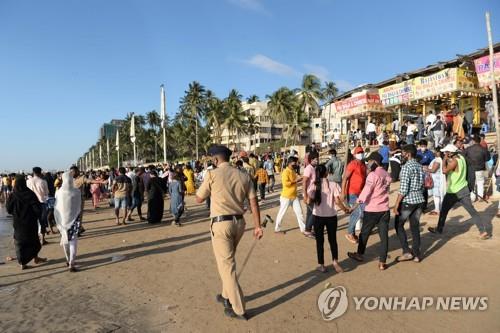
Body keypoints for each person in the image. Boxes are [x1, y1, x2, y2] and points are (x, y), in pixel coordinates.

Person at [195, 145, 263, 320]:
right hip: (239, 223)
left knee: (226, 266)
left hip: (221, 224)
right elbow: (254, 203)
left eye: (211, 159)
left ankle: (238, 309)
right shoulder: (244, 175)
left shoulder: (212, 174)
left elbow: (198, 198)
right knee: (228, 261)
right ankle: (226, 295)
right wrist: (257, 226)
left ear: (216, 160)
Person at [428, 145, 489, 239]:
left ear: (451, 153)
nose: (444, 153)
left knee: (443, 211)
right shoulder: (461, 158)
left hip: (453, 191)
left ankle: (439, 229)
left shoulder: (454, 161)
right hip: (463, 189)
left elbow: (444, 171)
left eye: (446, 152)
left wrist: (444, 160)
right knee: (472, 211)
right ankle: (483, 231)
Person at [347, 152, 392, 270]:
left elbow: (365, 192)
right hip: (384, 209)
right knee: (384, 236)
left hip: (372, 209)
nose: (368, 163)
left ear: (375, 161)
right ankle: (382, 262)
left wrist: (354, 206)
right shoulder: (386, 174)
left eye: (370, 161)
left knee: (364, 233)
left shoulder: (373, 175)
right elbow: (387, 188)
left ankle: (360, 254)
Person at [307, 164, 350, 273]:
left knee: (319, 242)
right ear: (326, 173)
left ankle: (321, 265)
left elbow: (308, 201)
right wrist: (345, 209)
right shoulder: (333, 184)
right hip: (331, 216)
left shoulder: (314, 185)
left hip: (318, 217)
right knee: (333, 240)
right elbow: (337, 201)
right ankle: (335, 262)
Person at [6, 175, 47, 270]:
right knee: (33, 240)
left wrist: (16, 213)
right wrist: (35, 216)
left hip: (18, 222)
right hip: (30, 222)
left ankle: (23, 263)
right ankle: (34, 258)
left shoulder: (12, 195)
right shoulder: (30, 194)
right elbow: (37, 209)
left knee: (19, 242)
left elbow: (8, 209)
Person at [393, 144, 425, 262]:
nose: (402, 155)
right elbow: (422, 184)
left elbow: (403, 189)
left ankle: (406, 251)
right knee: (415, 226)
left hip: (409, 201)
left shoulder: (407, 167)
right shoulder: (419, 165)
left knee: (398, 224)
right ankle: (416, 253)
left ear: (408, 154)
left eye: (403, 153)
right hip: (419, 199)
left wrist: (396, 205)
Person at [54, 172, 82, 272]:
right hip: (74, 219)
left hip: (62, 221)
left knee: (65, 240)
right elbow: (79, 207)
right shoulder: (77, 192)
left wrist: (56, 221)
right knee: (73, 241)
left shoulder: (58, 192)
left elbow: (56, 208)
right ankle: (72, 263)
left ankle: (67, 259)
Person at [274, 156, 306, 234]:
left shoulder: (293, 171)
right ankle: (277, 229)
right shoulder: (285, 172)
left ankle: (303, 229)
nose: (295, 164)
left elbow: (295, 181)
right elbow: (286, 184)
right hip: (286, 197)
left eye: (296, 163)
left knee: (300, 213)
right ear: (289, 163)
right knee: (282, 213)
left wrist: (300, 179)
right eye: (294, 163)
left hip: (294, 196)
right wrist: (296, 181)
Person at [342, 146, 366, 244]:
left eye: (362, 152)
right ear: (355, 154)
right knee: (358, 212)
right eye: (359, 152)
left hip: (361, 193)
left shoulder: (363, 165)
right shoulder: (352, 164)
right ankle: (350, 233)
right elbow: (345, 178)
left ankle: (354, 232)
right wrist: (342, 192)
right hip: (352, 192)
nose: (361, 154)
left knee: (363, 212)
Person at [27, 167, 50, 245]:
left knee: (33, 222)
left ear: (33, 172)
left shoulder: (28, 181)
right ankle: (42, 239)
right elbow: (46, 193)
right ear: (40, 173)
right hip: (41, 203)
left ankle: (35, 238)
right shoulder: (43, 182)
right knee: (42, 221)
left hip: (31, 204)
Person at [465, 135, 490, 202]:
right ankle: (480, 197)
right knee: (480, 182)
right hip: (480, 168)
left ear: (473, 141)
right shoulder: (483, 149)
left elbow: (464, 157)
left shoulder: (468, 149)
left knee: (472, 183)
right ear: (480, 141)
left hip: (471, 168)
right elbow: (488, 158)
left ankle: (472, 198)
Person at [424, 148, 446, 216]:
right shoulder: (440, 160)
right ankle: (438, 208)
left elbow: (433, 170)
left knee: (436, 195)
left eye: (436, 152)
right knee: (438, 195)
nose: (435, 153)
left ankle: (437, 209)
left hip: (436, 180)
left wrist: (425, 168)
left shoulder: (437, 160)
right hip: (437, 179)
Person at [302, 151, 319, 238]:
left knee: (310, 212)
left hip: (312, 194)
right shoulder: (309, 168)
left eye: (317, 158)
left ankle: (308, 229)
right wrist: (305, 196)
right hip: (309, 194)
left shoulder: (313, 168)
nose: (317, 160)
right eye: (315, 159)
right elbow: (304, 182)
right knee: (314, 212)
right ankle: (308, 230)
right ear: (311, 159)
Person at [416, 140, 434, 212]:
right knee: (418, 188)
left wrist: (428, 168)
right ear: (420, 146)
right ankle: (418, 205)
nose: (423, 147)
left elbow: (433, 162)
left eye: (424, 146)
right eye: (422, 146)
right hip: (418, 171)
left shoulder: (429, 153)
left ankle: (424, 206)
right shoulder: (417, 152)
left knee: (425, 189)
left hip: (426, 172)